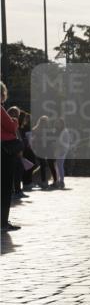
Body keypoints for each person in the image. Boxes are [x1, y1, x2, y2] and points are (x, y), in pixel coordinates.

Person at [2, 82, 21, 232]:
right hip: (5, 151)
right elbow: (11, 127)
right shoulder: (1, 109)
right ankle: (2, 222)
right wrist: (14, 120)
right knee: (5, 187)